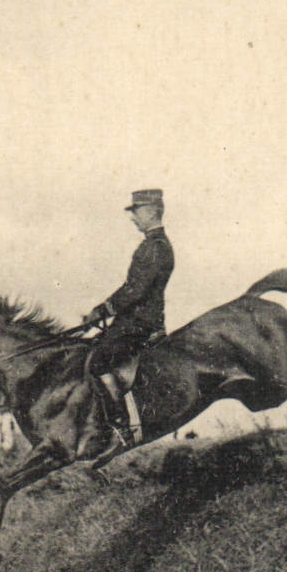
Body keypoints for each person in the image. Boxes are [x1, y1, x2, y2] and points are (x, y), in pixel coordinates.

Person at [84, 189, 174, 447]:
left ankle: (121, 426)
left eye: (135, 212)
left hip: (138, 323)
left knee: (97, 363)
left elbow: (135, 290)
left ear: (149, 211)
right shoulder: (156, 245)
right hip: (138, 320)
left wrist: (102, 310)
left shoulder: (153, 247)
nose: (133, 218)